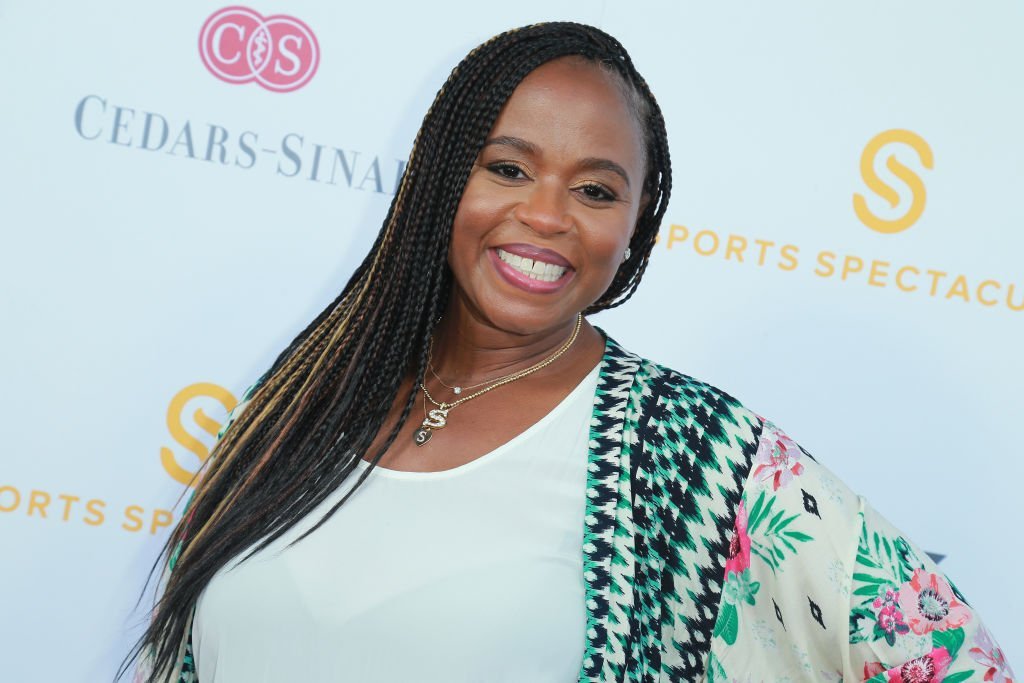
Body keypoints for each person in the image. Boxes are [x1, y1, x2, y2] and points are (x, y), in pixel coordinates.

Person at [123, 21, 1014, 683]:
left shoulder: (693, 456)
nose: (546, 216)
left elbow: (943, 655)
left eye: (594, 189)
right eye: (507, 168)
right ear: (441, 177)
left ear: (635, 229)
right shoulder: (306, 400)